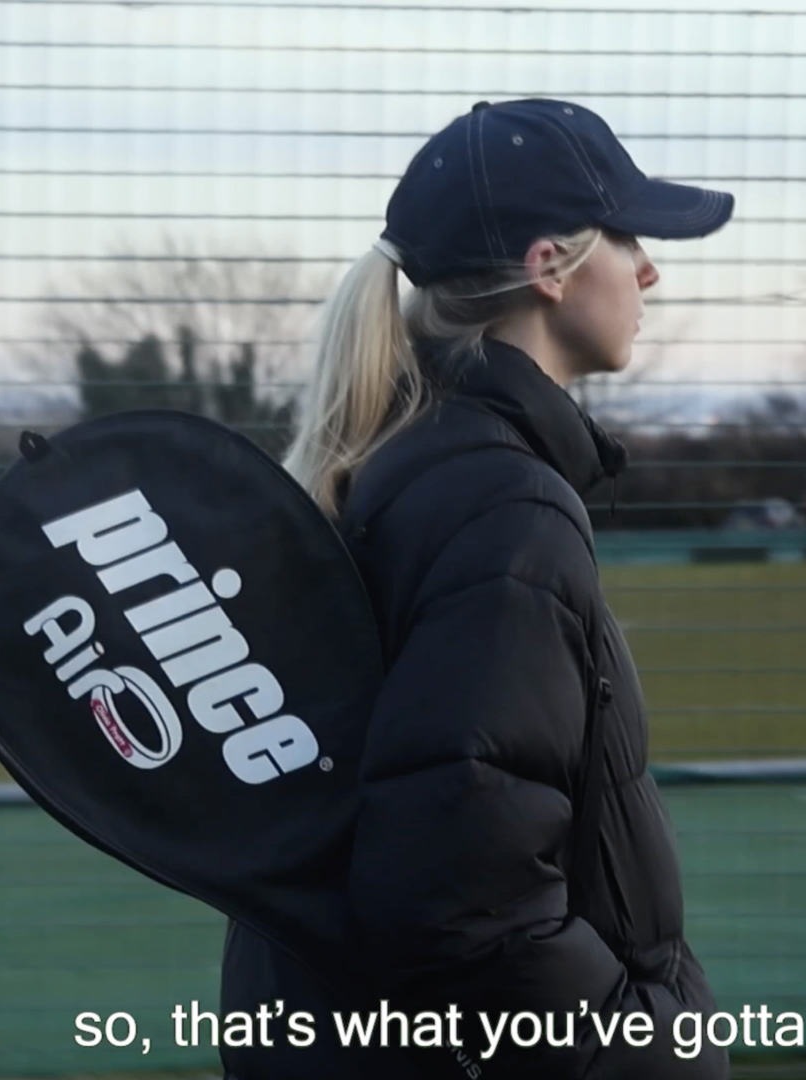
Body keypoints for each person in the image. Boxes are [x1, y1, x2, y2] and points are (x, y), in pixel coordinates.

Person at [220, 98, 735, 1080]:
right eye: (629, 238)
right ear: (550, 267)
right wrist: (653, 1049)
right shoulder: (503, 509)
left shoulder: (405, 462)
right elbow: (466, 905)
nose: (650, 270)